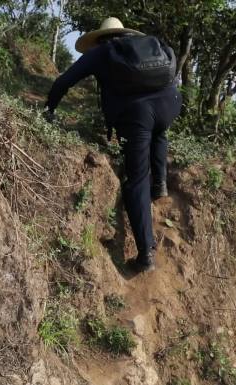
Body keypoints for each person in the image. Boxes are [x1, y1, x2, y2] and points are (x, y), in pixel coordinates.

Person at [44, 17, 182, 273]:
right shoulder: (146, 46)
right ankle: (160, 183)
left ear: (100, 38)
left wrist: (49, 109)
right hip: (172, 101)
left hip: (139, 113)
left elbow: (65, 81)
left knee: (136, 179)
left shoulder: (101, 53)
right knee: (159, 131)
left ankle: (146, 253)